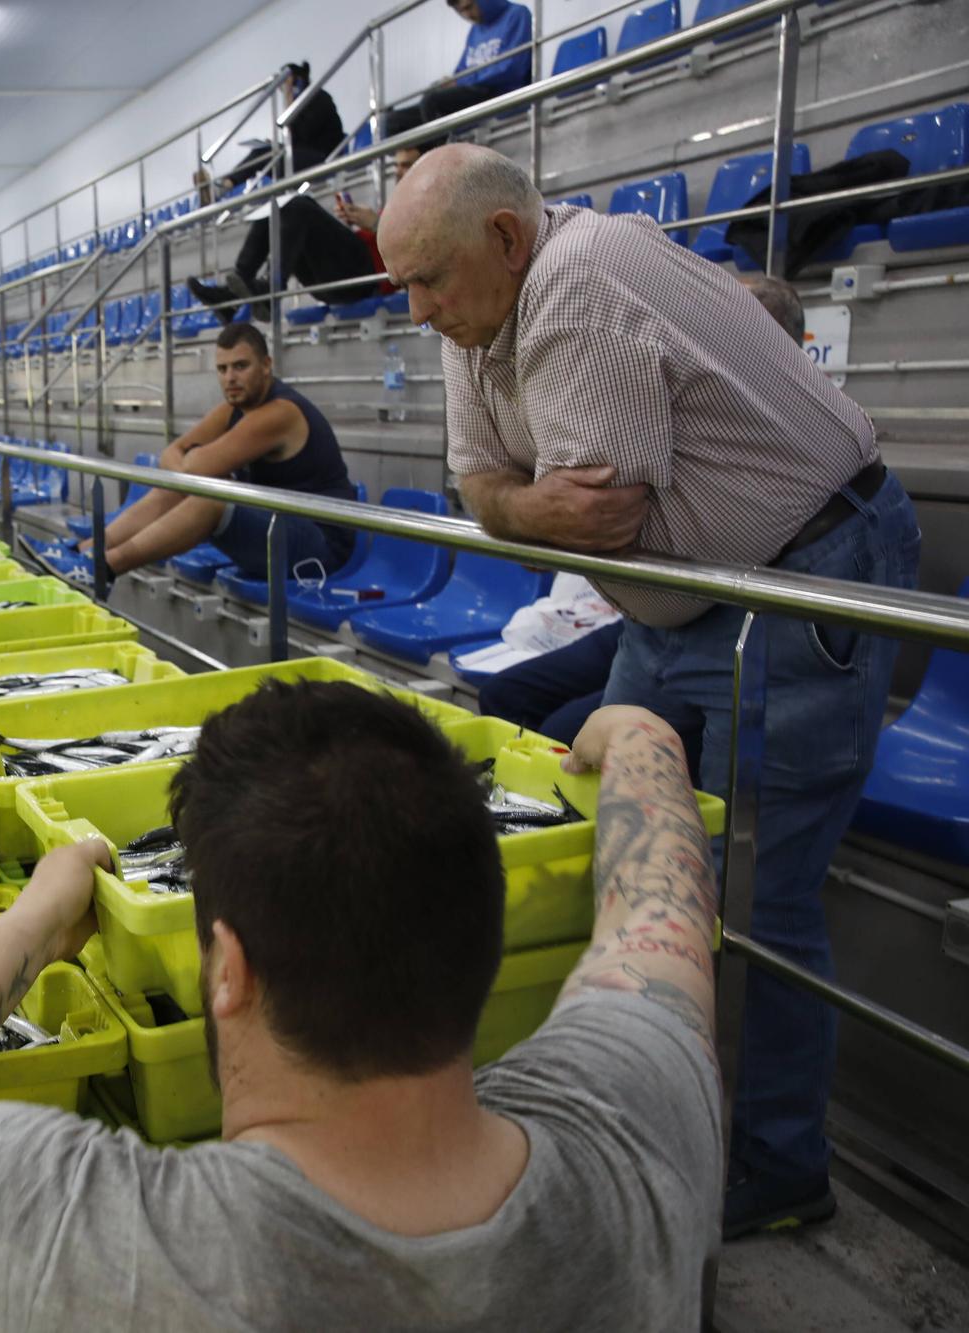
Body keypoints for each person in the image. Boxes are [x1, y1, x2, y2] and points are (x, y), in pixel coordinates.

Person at [0, 684, 722, 1328]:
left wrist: (39, 914)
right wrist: (642, 734)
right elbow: (659, 920)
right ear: (485, 928)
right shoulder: (639, 1126)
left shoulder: (85, 1247)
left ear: (227, 967)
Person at [379, 144, 920, 1238]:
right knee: (598, 819)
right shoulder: (476, 312)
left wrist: (506, 499)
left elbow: (604, 520)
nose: (420, 309)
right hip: (671, 605)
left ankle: (772, 1171)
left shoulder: (579, 274)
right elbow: (484, 486)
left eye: (431, 278)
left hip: (799, 575)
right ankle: (638, 1114)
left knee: (751, 895)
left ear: (503, 238)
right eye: (403, 286)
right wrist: (517, 504)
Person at [473, 272, 811, 766]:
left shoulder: (790, 441)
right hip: (647, 621)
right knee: (509, 696)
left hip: (723, 628)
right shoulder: (684, 408)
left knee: (567, 735)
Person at [91, 322, 355, 582]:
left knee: (211, 496)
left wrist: (190, 464)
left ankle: (104, 569)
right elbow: (171, 454)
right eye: (222, 368)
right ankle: (88, 551)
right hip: (276, 527)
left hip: (320, 547)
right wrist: (188, 465)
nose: (230, 378)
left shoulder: (281, 412)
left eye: (241, 366)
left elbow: (192, 469)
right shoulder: (234, 409)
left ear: (266, 365)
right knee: (178, 487)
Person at [191, 141, 431, 321]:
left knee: (299, 206)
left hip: (366, 278)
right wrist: (361, 221)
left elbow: (424, 256)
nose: (399, 171)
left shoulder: (432, 204)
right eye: (397, 165)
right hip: (337, 275)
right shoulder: (398, 202)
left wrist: (376, 225)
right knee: (276, 208)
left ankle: (270, 288)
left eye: (407, 165)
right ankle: (232, 295)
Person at [187, 63, 350, 319]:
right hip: (301, 157)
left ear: (295, 80)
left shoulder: (316, 96)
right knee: (271, 197)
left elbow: (300, 135)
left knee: (282, 186)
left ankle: (263, 287)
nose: (283, 89)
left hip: (325, 157)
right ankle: (236, 290)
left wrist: (289, 101)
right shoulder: (300, 102)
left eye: (286, 83)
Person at [384, 0, 533, 139]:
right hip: (471, 94)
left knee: (432, 101)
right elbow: (462, 71)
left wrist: (462, 81)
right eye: (461, 11)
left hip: (497, 93)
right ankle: (425, 151)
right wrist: (451, 82)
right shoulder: (475, 31)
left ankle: (441, 154)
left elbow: (513, 68)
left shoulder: (517, 14)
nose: (468, 15)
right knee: (393, 122)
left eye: (469, 7)